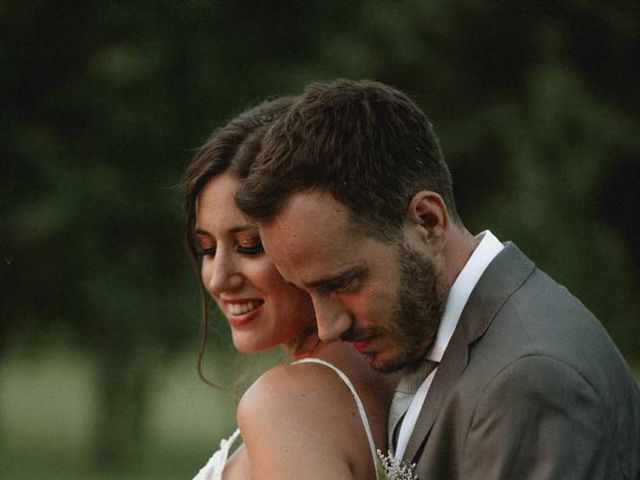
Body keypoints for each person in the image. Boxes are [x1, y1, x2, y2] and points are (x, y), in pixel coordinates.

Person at [235, 79, 640, 479]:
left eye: (343, 283)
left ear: (427, 221)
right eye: (305, 291)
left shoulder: (528, 379)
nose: (327, 326)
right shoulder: (446, 341)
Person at [184, 97, 395, 480]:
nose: (219, 278)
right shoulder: (384, 376)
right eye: (208, 249)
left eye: (250, 246)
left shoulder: (286, 406)